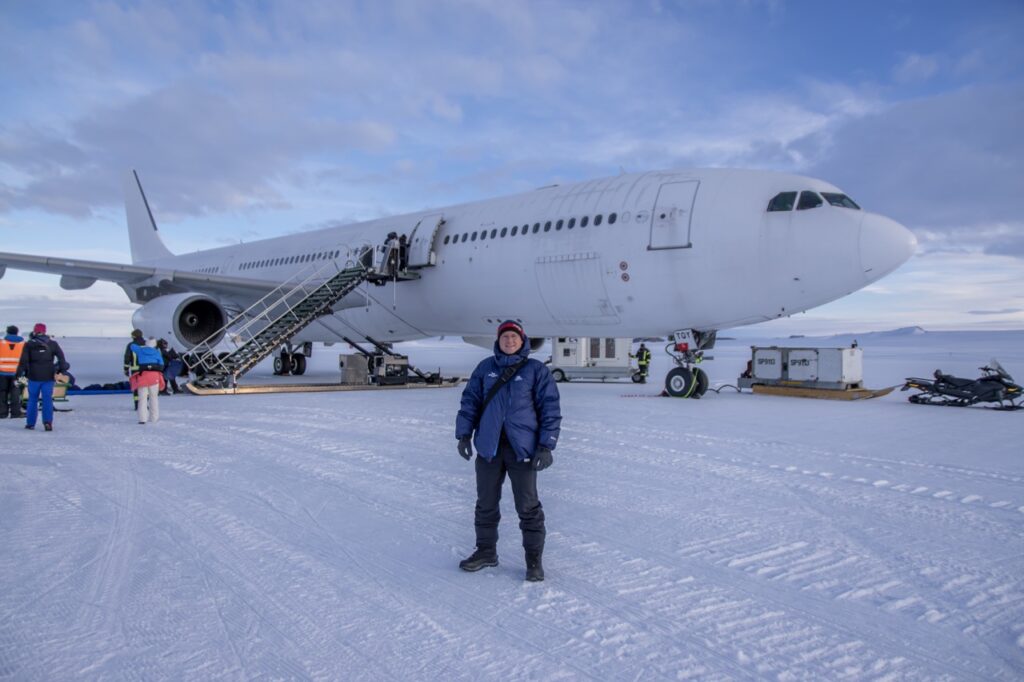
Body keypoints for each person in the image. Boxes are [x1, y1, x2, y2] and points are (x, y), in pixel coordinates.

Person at [456, 320, 561, 582]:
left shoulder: (536, 370)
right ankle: (486, 552)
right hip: (489, 449)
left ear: (522, 340)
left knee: (528, 507)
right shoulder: (485, 368)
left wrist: (546, 445)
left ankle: (533, 561)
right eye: (505, 337)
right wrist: (463, 434)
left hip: (522, 450)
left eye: (514, 337)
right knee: (486, 504)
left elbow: (550, 408)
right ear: (498, 341)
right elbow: (470, 402)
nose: (510, 341)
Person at [16, 323, 69, 431]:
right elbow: (62, 359)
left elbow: (23, 362)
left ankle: (30, 424)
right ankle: (48, 422)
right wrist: (61, 370)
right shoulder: (53, 344)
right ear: (45, 331)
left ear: (34, 331)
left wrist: (18, 375)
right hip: (48, 376)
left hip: (33, 376)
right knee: (47, 400)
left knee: (32, 400)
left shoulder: (29, 344)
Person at [129, 337, 165, 424]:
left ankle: (142, 419)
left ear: (146, 343)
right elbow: (162, 365)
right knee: (154, 398)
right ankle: (154, 418)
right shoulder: (157, 352)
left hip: (143, 377)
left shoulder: (140, 351)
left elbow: (132, 346)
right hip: (154, 378)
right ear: (154, 344)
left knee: (142, 399)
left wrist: (141, 342)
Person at [0, 325, 25, 419]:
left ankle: (2, 413)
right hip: (19, 374)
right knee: (17, 392)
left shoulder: (1, 343)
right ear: (17, 332)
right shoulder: (23, 344)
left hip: (2, 373)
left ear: (7, 332)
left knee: (2, 393)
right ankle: (15, 413)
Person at [123, 328, 144, 409]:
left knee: (136, 387)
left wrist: (126, 369)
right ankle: (145, 404)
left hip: (135, 370)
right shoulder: (147, 344)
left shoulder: (131, 345)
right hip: (146, 370)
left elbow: (127, 357)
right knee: (145, 387)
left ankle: (137, 404)